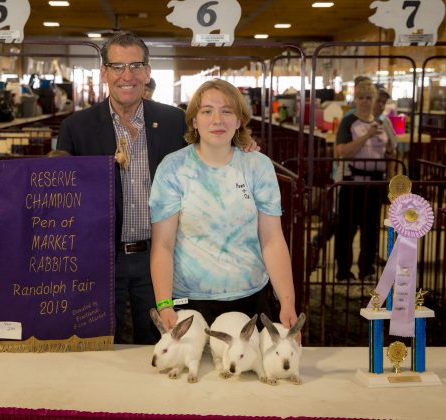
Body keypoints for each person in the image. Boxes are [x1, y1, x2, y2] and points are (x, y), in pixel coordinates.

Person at [57, 31, 187, 344]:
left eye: (135, 66)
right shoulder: (76, 127)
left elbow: (210, 154)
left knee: (161, 343)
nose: (127, 76)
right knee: (94, 343)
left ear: (148, 72)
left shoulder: (176, 122)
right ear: (104, 73)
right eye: (117, 67)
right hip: (98, 257)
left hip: (157, 255)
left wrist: (244, 146)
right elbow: (59, 189)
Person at [148, 79, 298, 333]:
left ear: (239, 120)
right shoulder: (173, 168)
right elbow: (163, 244)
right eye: (207, 111)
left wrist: (288, 302)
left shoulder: (257, 166)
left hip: (251, 299)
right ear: (194, 121)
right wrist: (164, 305)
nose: (217, 120)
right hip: (190, 302)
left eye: (227, 111)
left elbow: (272, 240)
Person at [334, 80, 395, 282]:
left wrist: (391, 179)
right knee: (347, 229)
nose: (365, 102)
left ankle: (366, 269)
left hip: (375, 185)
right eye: (360, 97)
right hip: (353, 182)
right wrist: (366, 136)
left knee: (371, 230)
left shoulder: (382, 123)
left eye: (369, 98)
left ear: (374, 99)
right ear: (355, 99)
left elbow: (391, 151)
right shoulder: (349, 121)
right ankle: (344, 271)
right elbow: (341, 151)